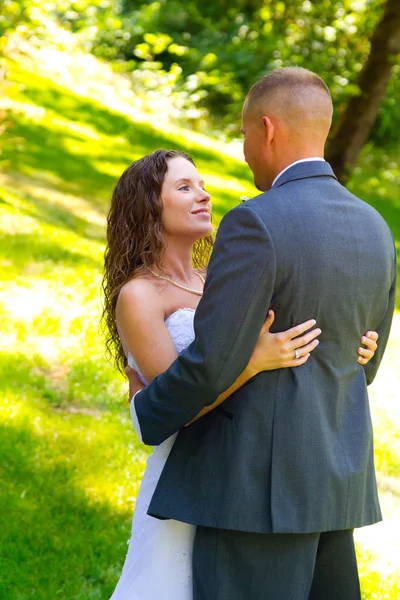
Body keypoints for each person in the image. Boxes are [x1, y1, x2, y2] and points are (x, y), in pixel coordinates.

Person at [127, 67, 396, 599]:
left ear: (268, 129)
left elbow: (215, 359)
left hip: (253, 494)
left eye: (246, 133)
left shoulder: (256, 222)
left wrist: (148, 411)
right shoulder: (377, 227)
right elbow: (366, 361)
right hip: (335, 485)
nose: (245, 149)